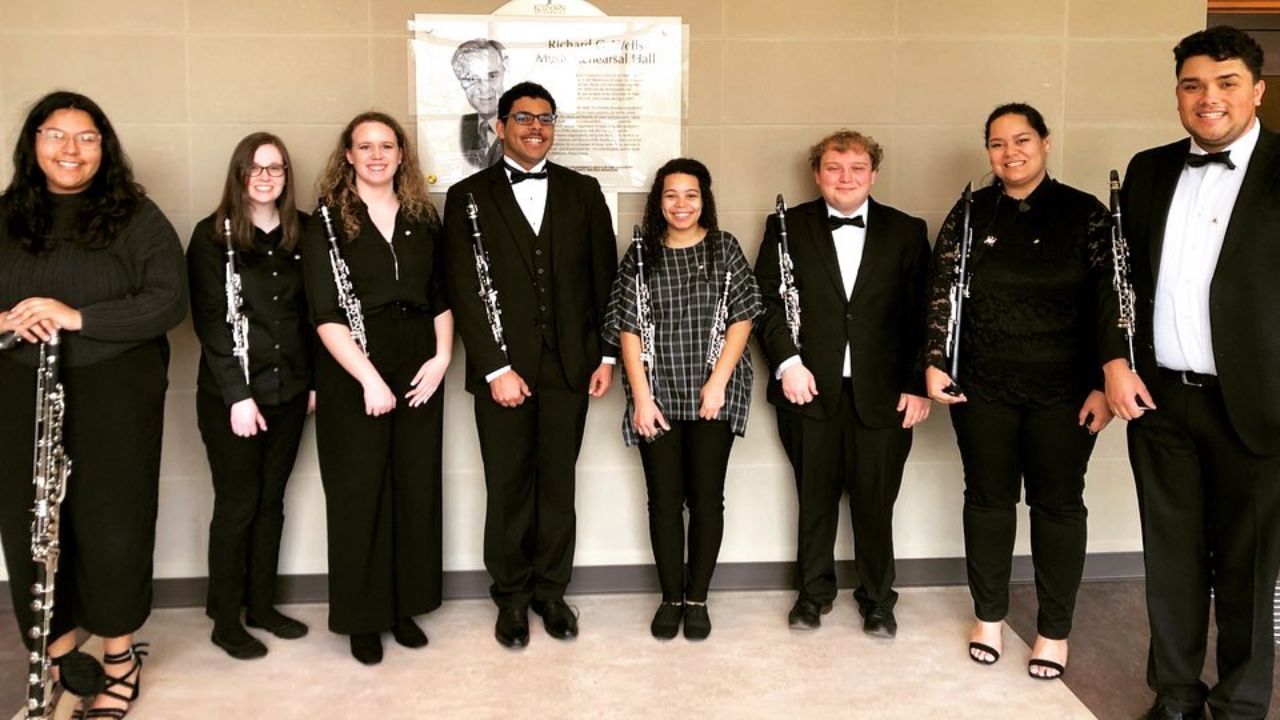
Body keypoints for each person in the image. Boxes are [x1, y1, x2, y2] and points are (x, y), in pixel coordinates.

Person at [1105, 26, 1280, 720]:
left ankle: (1239, 705)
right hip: (1159, 400)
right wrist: (1115, 360)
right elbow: (1115, 282)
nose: (1209, 99)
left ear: (1257, 91)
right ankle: (1176, 696)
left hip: (1258, 406)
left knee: (1248, 567)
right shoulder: (1147, 169)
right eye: (1193, 85)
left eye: (1227, 82)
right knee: (1171, 565)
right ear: (1178, 93)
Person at [0, 90, 187, 717]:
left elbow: (168, 301)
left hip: (117, 394)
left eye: (86, 137)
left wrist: (73, 315)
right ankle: (54, 661)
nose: (70, 149)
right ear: (34, 144)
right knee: (33, 528)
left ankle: (118, 657)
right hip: (19, 391)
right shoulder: (5, 215)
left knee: (113, 527)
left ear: (104, 147)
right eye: (55, 134)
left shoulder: (135, 215)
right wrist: (9, 317)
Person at [923, 103, 1115, 680]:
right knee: (986, 500)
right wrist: (934, 362)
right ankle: (988, 617)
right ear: (988, 152)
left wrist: (1106, 384)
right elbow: (941, 291)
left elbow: (1111, 302)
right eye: (998, 143)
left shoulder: (1086, 213)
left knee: (1057, 507)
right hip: (983, 388)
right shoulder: (971, 211)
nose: (1010, 152)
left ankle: (1054, 632)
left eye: (1022, 139)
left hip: (1065, 391)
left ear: (1046, 143)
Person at [444, 81, 617, 649]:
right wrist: (495, 368)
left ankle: (551, 592)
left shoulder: (585, 191)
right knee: (508, 485)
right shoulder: (466, 196)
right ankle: (512, 598)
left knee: (557, 486)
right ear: (500, 127)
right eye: (523, 118)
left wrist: (607, 355)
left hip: (572, 367)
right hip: (503, 374)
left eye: (545, 118)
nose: (536, 127)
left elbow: (603, 280)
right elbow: (464, 290)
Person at [755, 129, 931, 639]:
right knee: (814, 500)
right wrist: (787, 364)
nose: (846, 178)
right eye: (834, 168)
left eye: (857, 168)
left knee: (877, 503)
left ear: (873, 174)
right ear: (817, 174)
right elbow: (766, 301)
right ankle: (812, 595)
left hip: (886, 394)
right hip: (808, 389)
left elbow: (926, 314)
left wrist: (918, 383)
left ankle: (878, 601)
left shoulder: (907, 230)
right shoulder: (786, 226)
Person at [301, 111, 452, 665]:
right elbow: (324, 310)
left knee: (414, 486)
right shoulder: (325, 222)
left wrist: (440, 358)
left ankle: (403, 606)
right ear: (348, 155)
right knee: (359, 492)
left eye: (386, 145)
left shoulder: (421, 216)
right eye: (365, 146)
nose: (376, 155)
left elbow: (440, 293)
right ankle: (362, 618)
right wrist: (368, 377)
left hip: (418, 358)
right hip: (352, 365)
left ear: (401, 155)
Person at [607, 158, 760, 641]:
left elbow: (742, 319)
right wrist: (641, 398)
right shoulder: (640, 254)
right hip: (657, 393)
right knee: (664, 502)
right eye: (671, 195)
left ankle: (698, 598)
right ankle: (671, 596)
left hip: (715, 390)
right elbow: (628, 329)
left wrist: (717, 384)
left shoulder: (724, 248)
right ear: (658, 202)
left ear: (704, 198)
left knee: (707, 500)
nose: (681, 204)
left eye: (691, 194)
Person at [186, 132, 313, 660]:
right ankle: (225, 617)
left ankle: (262, 605)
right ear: (239, 174)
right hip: (231, 398)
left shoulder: (303, 231)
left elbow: (314, 316)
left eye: (276, 168)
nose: (265, 177)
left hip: (290, 391)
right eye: (255, 167)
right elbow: (211, 323)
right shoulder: (210, 236)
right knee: (237, 504)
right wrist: (238, 396)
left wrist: (314, 384)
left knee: (271, 503)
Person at [452, 39, 507, 169]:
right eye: (471, 79)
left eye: (492, 76)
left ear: (505, 73)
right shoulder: (457, 128)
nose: (484, 88)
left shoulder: (525, 126)